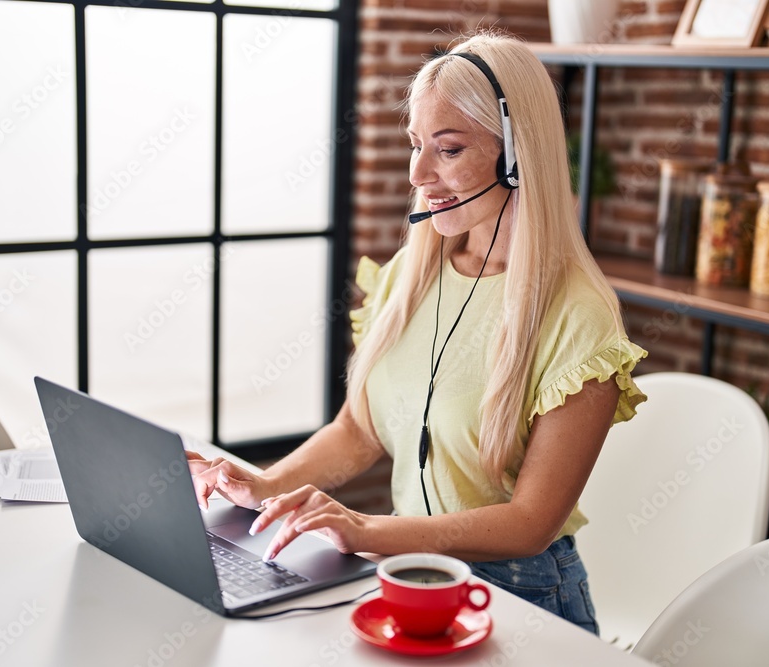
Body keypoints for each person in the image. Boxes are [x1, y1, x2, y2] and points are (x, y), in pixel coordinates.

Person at [187, 31, 646, 634]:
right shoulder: (410, 276)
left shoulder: (578, 317)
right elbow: (358, 430)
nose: (419, 173)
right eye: (416, 145)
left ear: (517, 154)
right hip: (414, 578)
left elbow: (532, 522)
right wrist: (266, 484)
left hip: (523, 598)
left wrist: (366, 530)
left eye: (449, 149)